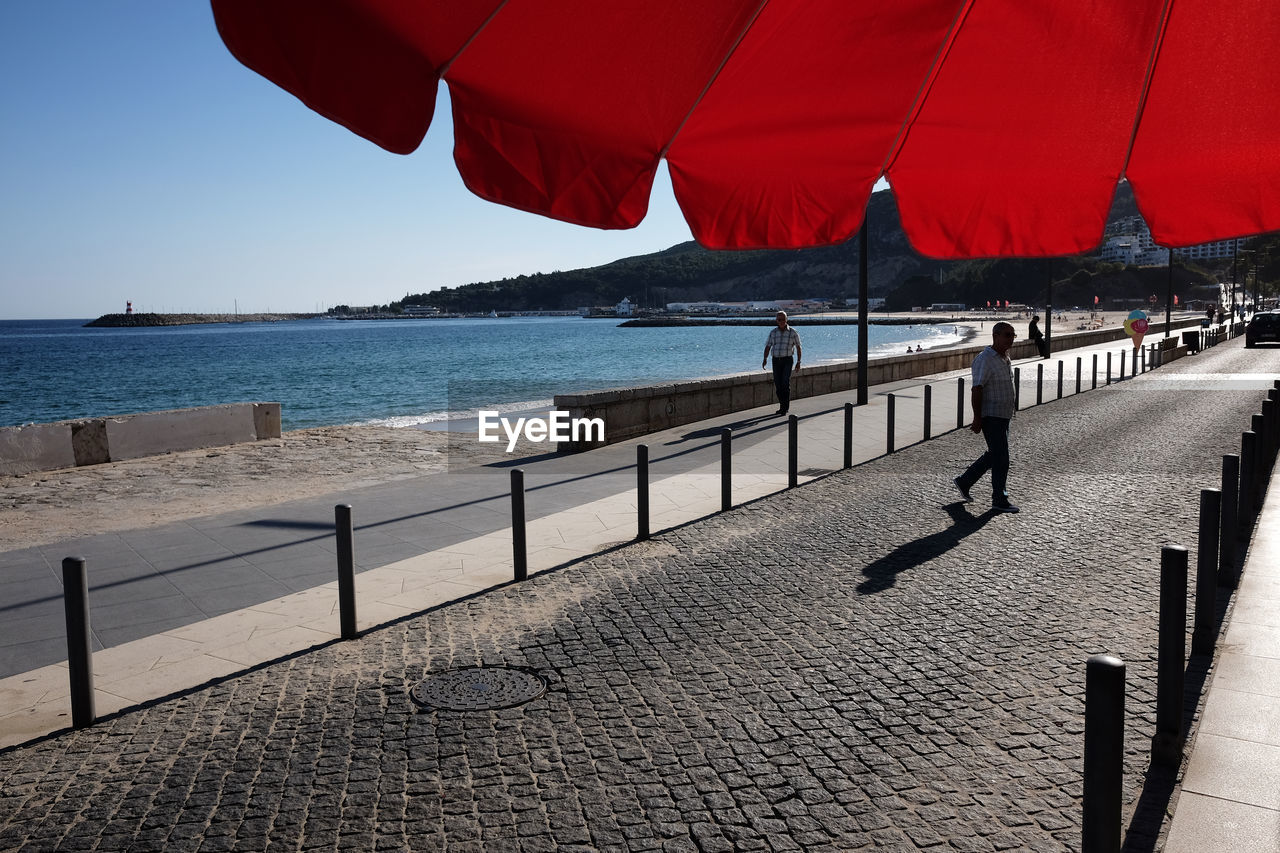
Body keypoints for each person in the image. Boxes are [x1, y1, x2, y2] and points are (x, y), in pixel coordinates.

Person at [953, 322, 1020, 513]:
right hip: (991, 416)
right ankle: (999, 499)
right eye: (1007, 335)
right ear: (995, 335)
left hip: (1003, 415)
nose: (1011, 339)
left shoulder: (1004, 357)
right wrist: (977, 418)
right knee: (1002, 458)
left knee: (995, 454)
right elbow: (977, 388)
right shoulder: (985, 359)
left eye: (1013, 335)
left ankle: (964, 481)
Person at [761, 311, 801, 415]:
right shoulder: (773, 332)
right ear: (776, 321)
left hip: (787, 360)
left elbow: (798, 347)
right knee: (778, 385)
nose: (781, 321)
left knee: (785, 383)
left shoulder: (793, 332)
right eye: (779, 320)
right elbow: (768, 346)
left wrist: (798, 362)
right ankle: (782, 405)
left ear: (786, 320)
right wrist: (765, 358)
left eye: (783, 319)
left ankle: (784, 408)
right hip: (776, 360)